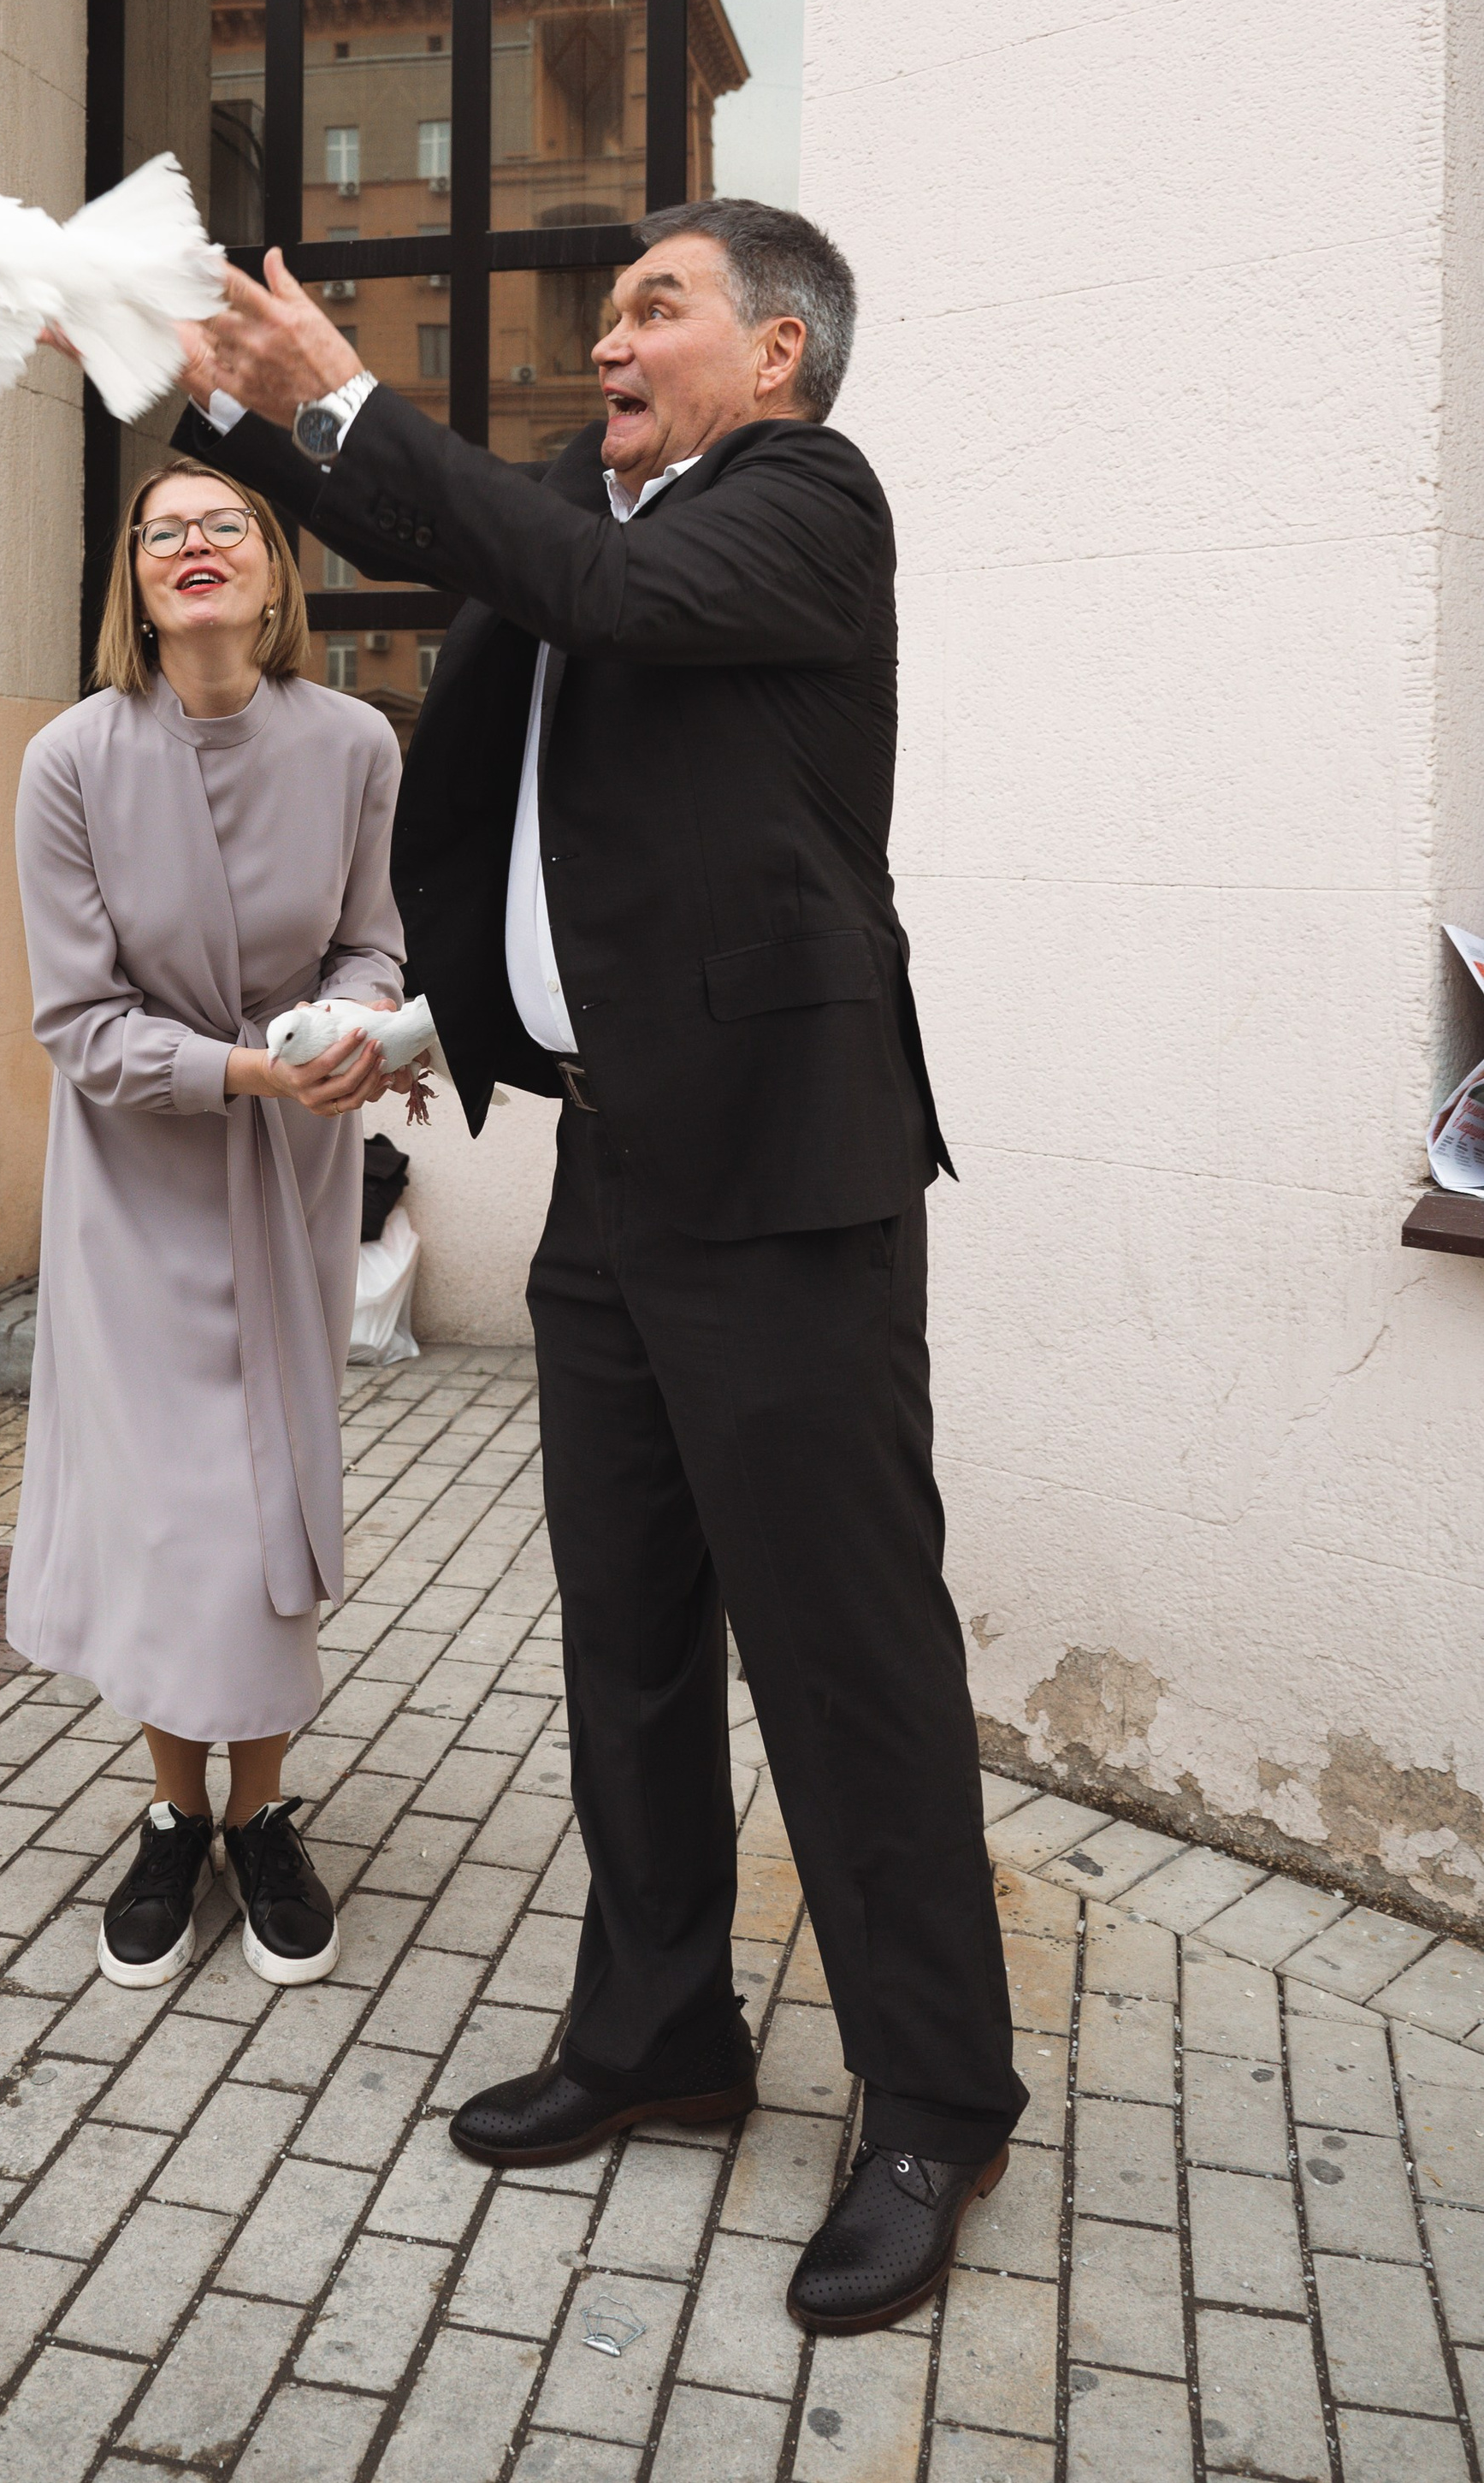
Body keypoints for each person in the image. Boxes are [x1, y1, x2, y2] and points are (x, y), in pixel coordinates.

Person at [174, 199, 1026, 2336]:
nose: (610, 340)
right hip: (617, 1168)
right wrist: (213, 383)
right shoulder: (589, 508)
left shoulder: (802, 506)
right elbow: (451, 543)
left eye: (660, 306)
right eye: (613, 309)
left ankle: (935, 2091)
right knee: (627, 1638)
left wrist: (347, 395)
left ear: (781, 357)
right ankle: (658, 2026)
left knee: (840, 1656)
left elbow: (574, 579)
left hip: (791, 1178)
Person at [6, 459, 408, 1993]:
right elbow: (78, 1019)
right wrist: (250, 1067)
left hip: (290, 1176)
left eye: (222, 525)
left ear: (274, 567)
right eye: (163, 529)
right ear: (135, 576)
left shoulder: (357, 741)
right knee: (174, 1513)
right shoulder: (68, 759)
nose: (192, 546)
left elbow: (374, 939)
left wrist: (359, 1028)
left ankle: (266, 1812)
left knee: (261, 1507)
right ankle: (177, 1816)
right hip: (134, 1177)